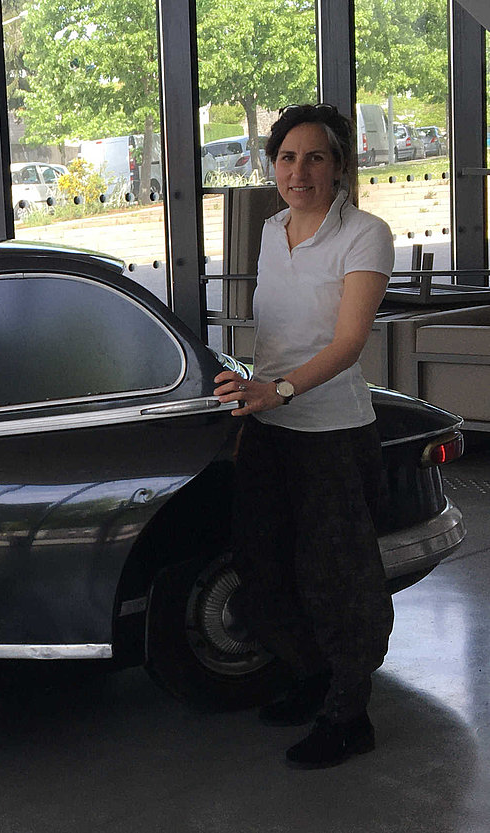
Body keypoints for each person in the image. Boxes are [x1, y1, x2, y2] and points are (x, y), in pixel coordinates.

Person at [213, 103, 396, 770]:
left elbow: (347, 343)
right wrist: (246, 386)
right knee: (264, 566)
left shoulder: (365, 234)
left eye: (315, 157)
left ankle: (350, 715)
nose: (299, 170)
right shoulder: (269, 230)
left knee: (339, 581)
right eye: (288, 157)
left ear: (341, 166)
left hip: (332, 432)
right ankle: (314, 677)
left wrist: (281, 390)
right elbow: (275, 338)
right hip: (268, 425)